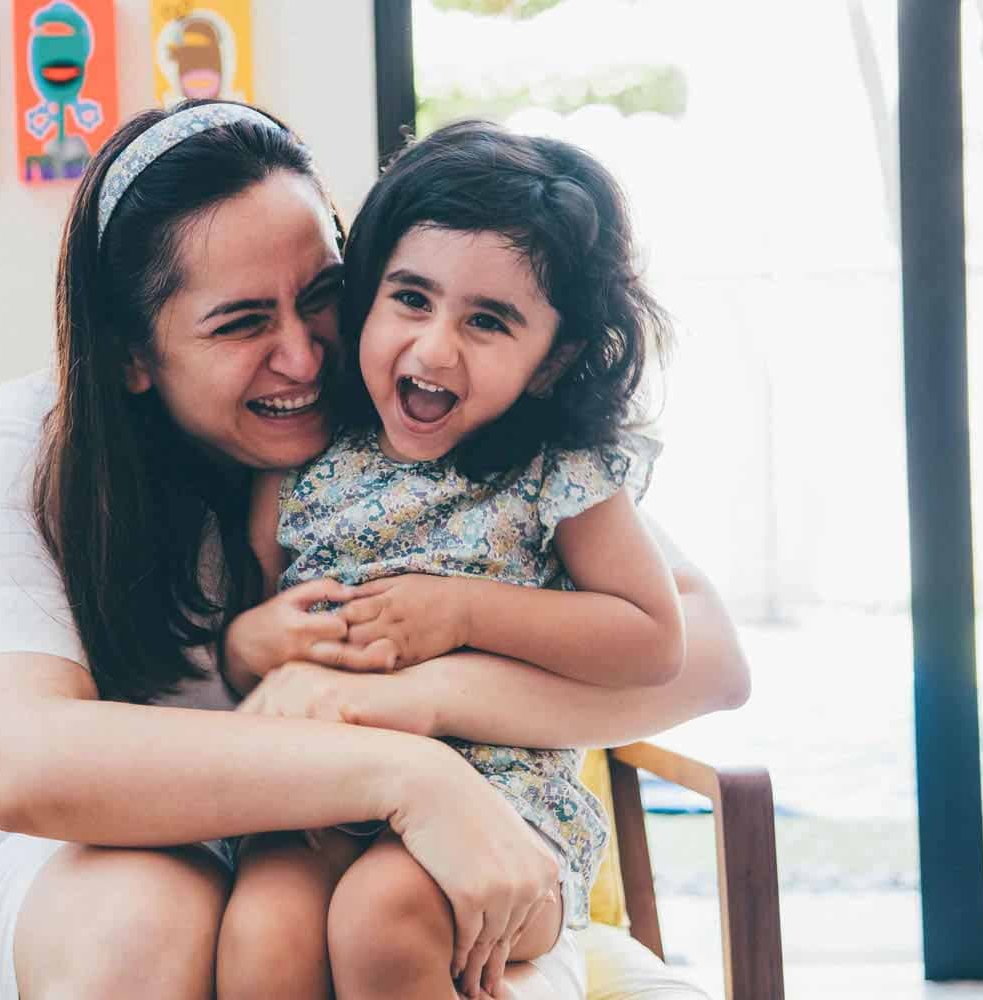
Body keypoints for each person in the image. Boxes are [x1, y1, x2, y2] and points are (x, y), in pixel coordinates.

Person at [0, 100, 749, 1000]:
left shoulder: (420, 414)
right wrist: (403, 770)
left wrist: (419, 701)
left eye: (322, 296)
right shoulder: (45, 441)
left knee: (399, 926)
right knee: (146, 927)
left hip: (418, 839)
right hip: (114, 859)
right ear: (132, 355)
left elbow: (703, 658)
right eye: (240, 324)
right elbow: (32, 763)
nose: (305, 358)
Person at [218, 120, 681, 1000]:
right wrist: (255, 638)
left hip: (503, 810)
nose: (434, 348)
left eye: (489, 321)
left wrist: (461, 610)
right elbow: (239, 626)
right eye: (410, 299)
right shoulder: (307, 451)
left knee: (383, 917)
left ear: (555, 361)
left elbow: (653, 638)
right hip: (315, 791)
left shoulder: (562, 474)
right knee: (261, 936)